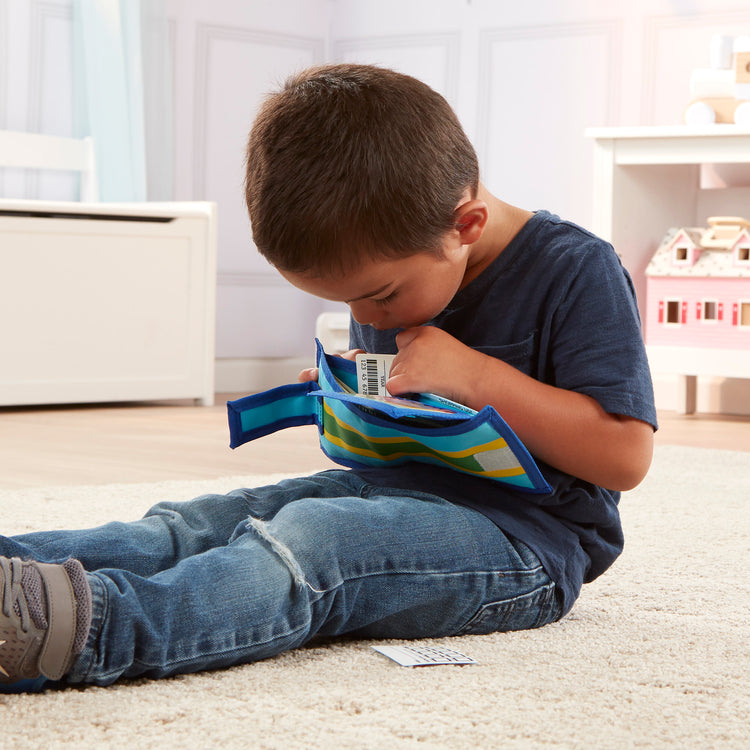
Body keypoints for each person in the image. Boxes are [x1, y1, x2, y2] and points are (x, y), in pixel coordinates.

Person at [0, 64, 656, 693]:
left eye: (379, 296)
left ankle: (82, 631)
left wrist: (477, 376)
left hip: (528, 543)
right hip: (386, 488)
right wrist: (350, 398)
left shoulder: (577, 271)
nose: (367, 316)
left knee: (313, 544)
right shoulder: (398, 255)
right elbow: (411, 423)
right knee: (203, 522)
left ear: (466, 226)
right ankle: (15, 567)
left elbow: (624, 455)